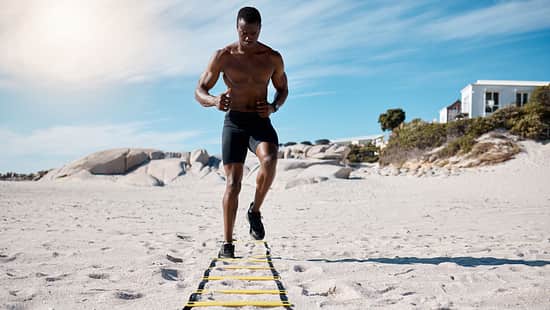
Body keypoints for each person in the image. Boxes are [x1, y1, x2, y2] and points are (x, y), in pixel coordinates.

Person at [195, 7, 288, 258]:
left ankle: (254, 211)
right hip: (234, 122)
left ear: (260, 30)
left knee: (269, 161)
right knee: (233, 184)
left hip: (259, 121)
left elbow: (283, 89)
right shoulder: (223, 56)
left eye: (253, 33)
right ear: (237, 28)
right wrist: (214, 101)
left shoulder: (272, 57)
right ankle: (227, 244)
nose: (248, 37)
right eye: (244, 32)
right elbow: (200, 90)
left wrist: (274, 106)